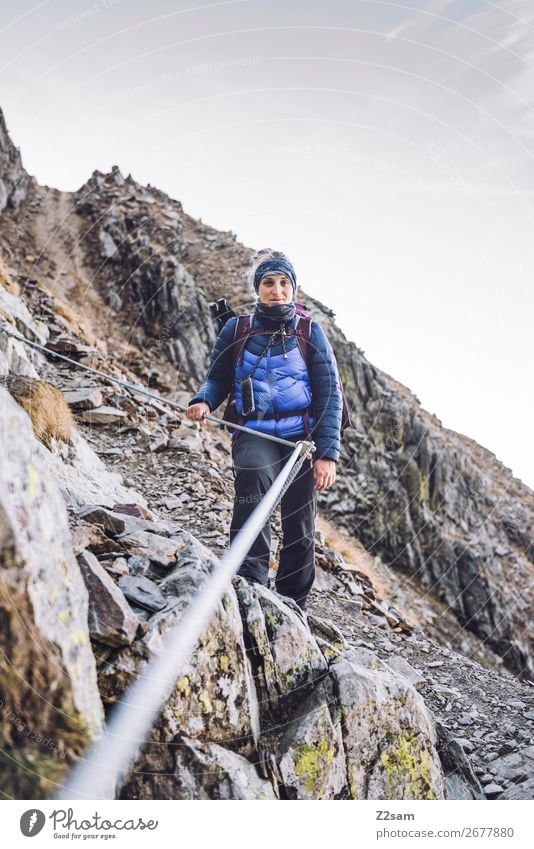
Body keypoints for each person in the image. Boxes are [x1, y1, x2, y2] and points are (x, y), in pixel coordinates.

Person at [186, 248, 342, 615]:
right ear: (258, 288)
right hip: (254, 432)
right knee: (253, 485)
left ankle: (293, 604)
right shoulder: (236, 329)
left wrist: (326, 455)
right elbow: (217, 378)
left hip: (301, 439)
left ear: (294, 289)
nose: (277, 289)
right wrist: (203, 400)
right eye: (269, 282)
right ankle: (249, 581)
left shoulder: (310, 332)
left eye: (284, 283)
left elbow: (329, 394)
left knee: (299, 523)